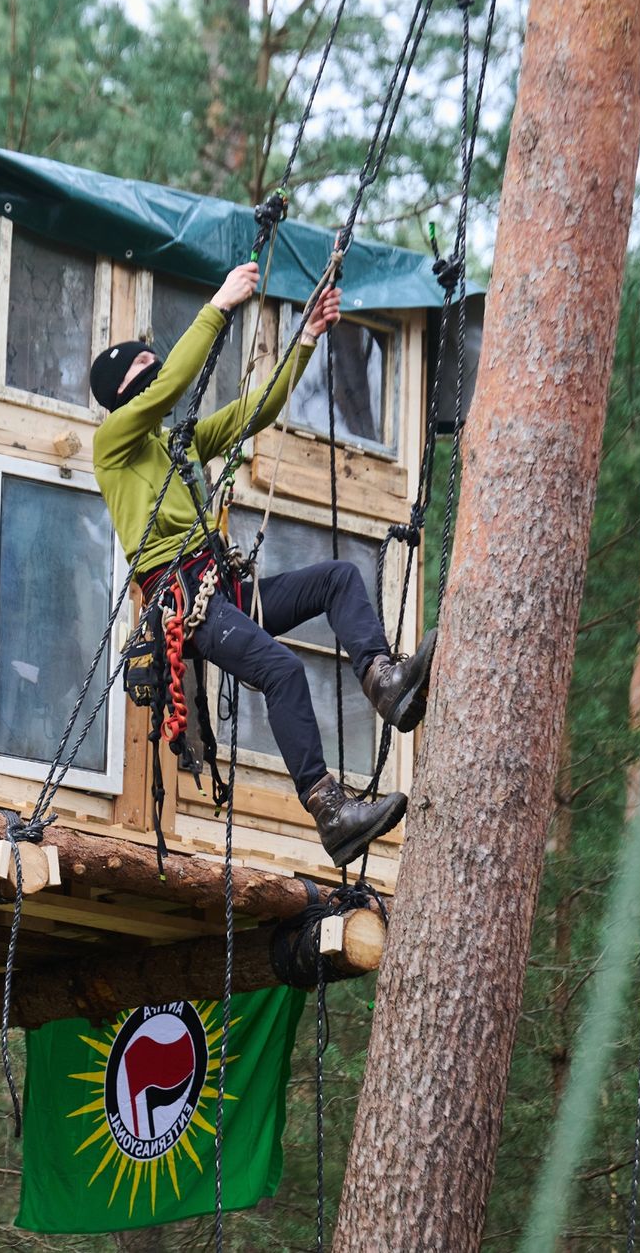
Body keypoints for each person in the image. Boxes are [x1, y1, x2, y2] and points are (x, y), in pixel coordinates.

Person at [89, 261, 436, 868]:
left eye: (152, 362)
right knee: (283, 669)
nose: (154, 371)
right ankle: (329, 808)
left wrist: (303, 342)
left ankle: (382, 679)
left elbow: (259, 409)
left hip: (221, 590)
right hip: (184, 602)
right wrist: (219, 306)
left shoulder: (182, 445)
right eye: (141, 367)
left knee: (339, 579)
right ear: (120, 392)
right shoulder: (114, 444)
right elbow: (172, 384)